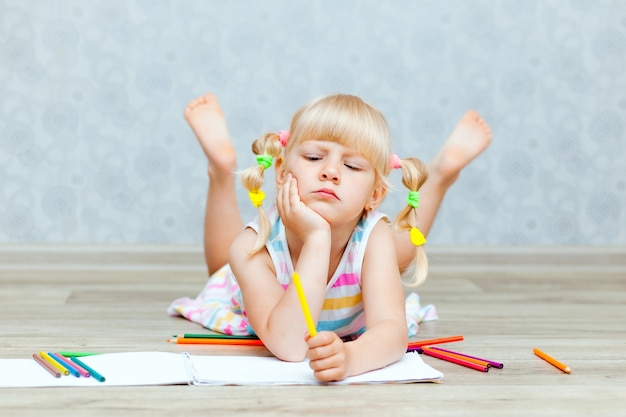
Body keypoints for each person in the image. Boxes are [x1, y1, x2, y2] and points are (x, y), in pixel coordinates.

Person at [168, 92, 491, 382]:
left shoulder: (373, 234)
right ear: (282, 173)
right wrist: (317, 239)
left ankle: (440, 176)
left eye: (351, 165)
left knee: (398, 254)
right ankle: (222, 169)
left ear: (374, 195)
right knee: (224, 267)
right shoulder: (253, 249)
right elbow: (290, 346)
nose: (331, 171)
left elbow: (392, 332)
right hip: (255, 287)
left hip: (362, 249)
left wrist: (352, 358)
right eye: (313, 158)